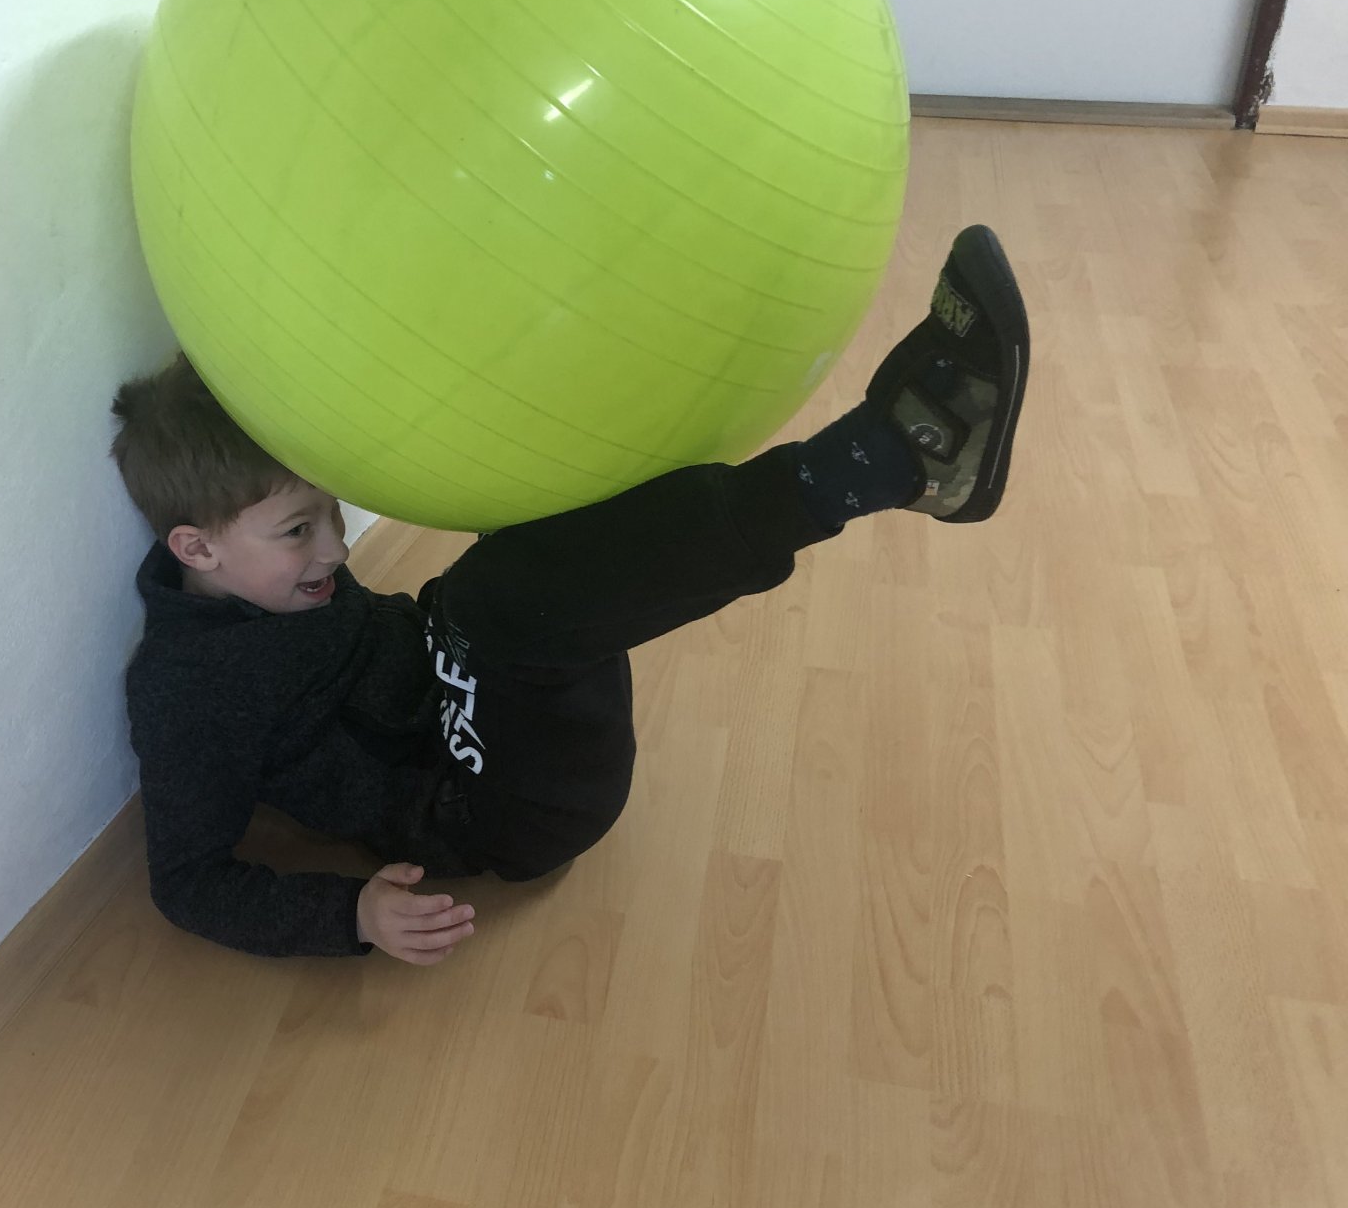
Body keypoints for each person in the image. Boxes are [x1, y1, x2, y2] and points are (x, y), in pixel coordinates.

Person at [110, 226, 1030, 965]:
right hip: (490, 806)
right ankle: (893, 455)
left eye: (329, 514)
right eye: (298, 531)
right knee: (502, 600)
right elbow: (188, 882)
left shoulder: (271, 583)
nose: (337, 547)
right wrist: (350, 915)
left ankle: (883, 444)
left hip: (457, 676)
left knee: (518, 537)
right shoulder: (185, 691)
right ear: (196, 547)